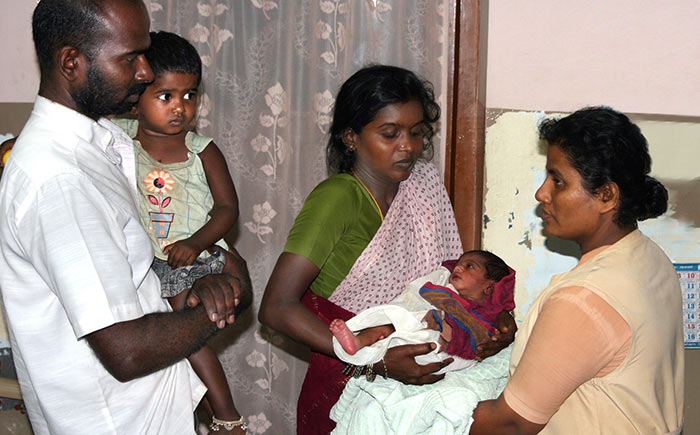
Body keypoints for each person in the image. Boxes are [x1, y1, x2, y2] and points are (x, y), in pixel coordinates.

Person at [0, 1, 251, 434]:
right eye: (129, 58)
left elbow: (134, 283)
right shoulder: (59, 181)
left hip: (153, 408)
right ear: (71, 63)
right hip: (118, 423)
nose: (145, 72)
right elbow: (126, 350)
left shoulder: (104, 142)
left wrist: (199, 285)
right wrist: (229, 297)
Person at [258, 64, 515, 434]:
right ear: (351, 137)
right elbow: (276, 307)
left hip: (422, 386)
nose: (408, 147)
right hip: (349, 384)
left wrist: (496, 321)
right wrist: (370, 361)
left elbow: (451, 281)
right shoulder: (337, 199)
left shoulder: (423, 186)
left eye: (416, 132)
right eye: (390, 133)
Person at [469, 107, 684, 434]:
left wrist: (432, 411)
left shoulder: (584, 300)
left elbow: (510, 425)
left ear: (606, 196)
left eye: (558, 181)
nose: (542, 194)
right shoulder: (651, 257)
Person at [114, 31, 244, 433]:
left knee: (188, 332)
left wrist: (196, 242)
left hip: (199, 258)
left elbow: (228, 209)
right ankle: (214, 414)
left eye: (190, 96)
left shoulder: (201, 149)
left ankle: (227, 416)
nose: (180, 108)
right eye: (166, 96)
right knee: (176, 342)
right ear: (138, 95)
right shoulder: (117, 137)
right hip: (150, 265)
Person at [330, 250, 515, 370]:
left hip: (441, 350)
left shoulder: (488, 316)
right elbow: (424, 294)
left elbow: (475, 341)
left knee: (404, 325)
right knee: (390, 321)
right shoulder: (447, 292)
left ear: (489, 288)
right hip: (411, 337)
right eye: (459, 263)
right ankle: (357, 341)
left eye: (469, 266)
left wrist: (445, 328)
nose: (458, 267)